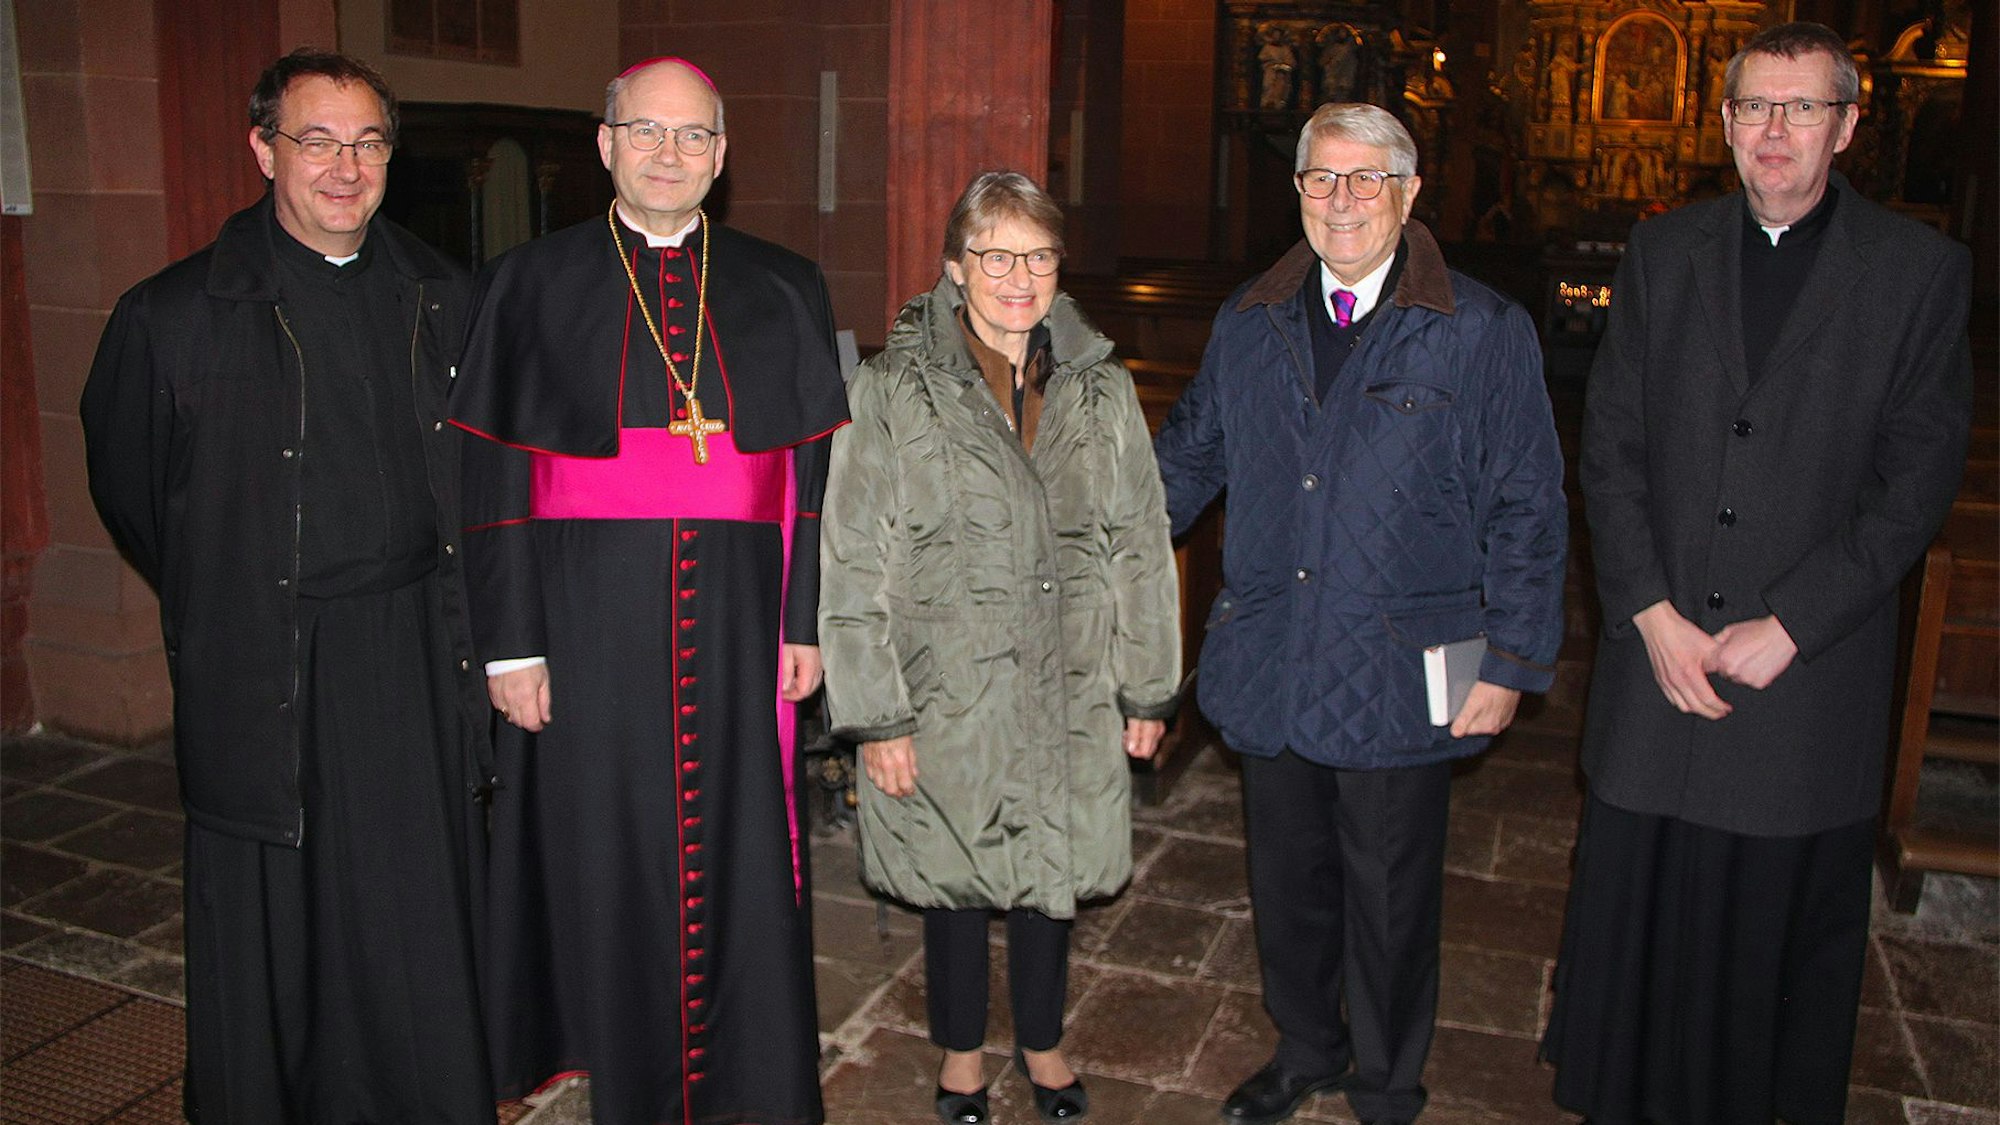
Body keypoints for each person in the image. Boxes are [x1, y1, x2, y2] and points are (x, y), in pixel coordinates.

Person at [1543, 23, 1973, 1125]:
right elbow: (1612, 442)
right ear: (1723, 121)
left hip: (1805, 675)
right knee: (1639, 908)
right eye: (1750, 109)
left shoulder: (1919, 272)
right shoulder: (1664, 250)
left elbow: (1913, 483)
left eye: (1798, 109)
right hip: (1662, 656)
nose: (1771, 132)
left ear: (1846, 124)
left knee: (1766, 940)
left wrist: (1793, 621)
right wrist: (1642, 607)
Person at [79, 48, 492, 1122]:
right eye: (316, 140)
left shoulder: (449, 294)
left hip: (410, 646)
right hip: (268, 654)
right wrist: (232, 590)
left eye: (367, 142)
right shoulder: (172, 316)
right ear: (264, 150)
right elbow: (134, 492)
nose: (344, 167)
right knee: (275, 915)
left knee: (410, 900)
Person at [449, 55, 848, 1125]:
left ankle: (747, 1082)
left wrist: (800, 621)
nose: (669, 155)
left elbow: (808, 480)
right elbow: (490, 477)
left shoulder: (781, 282)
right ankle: (618, 1070)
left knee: (738, 849)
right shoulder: (526, 282)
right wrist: (510, 645)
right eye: (647, 132)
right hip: (582, 620)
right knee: (601, 850)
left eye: (692, 137)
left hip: (736, 619)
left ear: (720, 157)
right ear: (604, 142)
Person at [1154, 103, 1566, 1125]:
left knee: (1388, 899)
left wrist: (1510, 660)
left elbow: (1527, 499)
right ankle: (1306, 1047)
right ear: (1294, 191)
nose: (1340, 201)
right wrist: (1081, 545)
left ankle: (1386, 1082)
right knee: (1285, 884)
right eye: (1318, 180)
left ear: (1408, 192)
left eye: (1364, 179)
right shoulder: (1247, 320)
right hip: (1270, 653)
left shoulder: (1477, 328)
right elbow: (1187, 459)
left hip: (1401, 659)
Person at [819, 171, 1182, 1125]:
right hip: (944, 684)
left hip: (1070, 675)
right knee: (951, 874)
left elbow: (1141, 541)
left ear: (1060, 268)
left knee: (1047, 872)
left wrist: (1148, 689)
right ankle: (961, 1052)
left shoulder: (1100, 385)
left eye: (1037, 255)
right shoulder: (896, 386)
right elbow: (853, 557)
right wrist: (877, 713)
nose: (1017, 276)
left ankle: (1045, 1040)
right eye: (995, 255)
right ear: (954, 268)